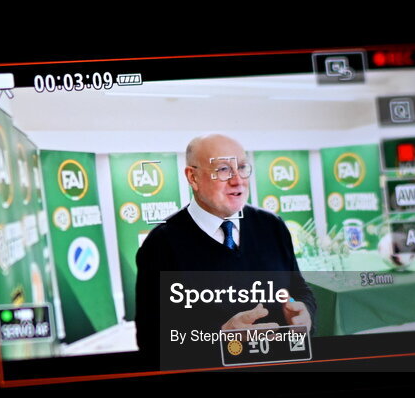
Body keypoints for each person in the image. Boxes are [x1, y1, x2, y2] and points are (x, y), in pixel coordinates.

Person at [134, 133, 316, 367]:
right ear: (193, 177)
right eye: (222, 169)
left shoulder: (273, 226)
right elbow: (152, 342)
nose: (237, 180)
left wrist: (305, 313)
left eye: (242, 167)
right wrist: (220, 339)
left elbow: (299, 289)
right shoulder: (160, 245)